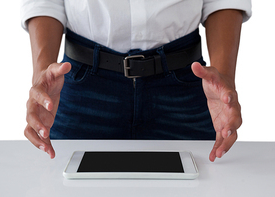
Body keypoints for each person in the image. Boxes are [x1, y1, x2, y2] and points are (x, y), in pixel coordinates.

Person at [21, 0, 252, 162]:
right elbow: (44, 2)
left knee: (200, 186)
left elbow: (224, 1)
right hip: (84, 88)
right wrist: (43, 77)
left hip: (184, 86)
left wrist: (223, 79)